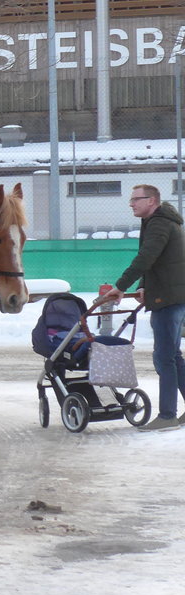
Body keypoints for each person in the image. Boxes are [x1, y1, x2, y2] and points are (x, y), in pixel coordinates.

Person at [100, 184, 185, 430]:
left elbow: (146, 258)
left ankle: (167, 416)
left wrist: (120, 286)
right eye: (131, 199)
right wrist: (144, 285)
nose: (131, 203)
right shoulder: (159, 221)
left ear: (152, 201)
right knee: (173, 356)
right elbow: (156, 261)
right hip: (172, 295)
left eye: (136, 199)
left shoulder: (159, 223)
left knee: (164, 359)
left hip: (168, 298)